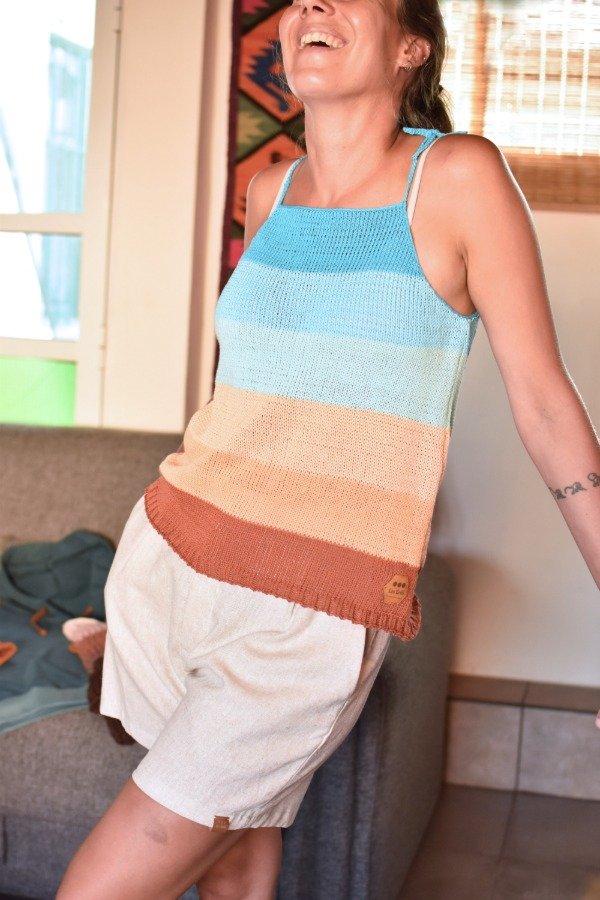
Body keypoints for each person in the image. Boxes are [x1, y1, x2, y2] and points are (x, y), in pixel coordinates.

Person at [57, 0, 600, 897]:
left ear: (412, 45)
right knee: (234, 865)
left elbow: (544, 403)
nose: (311, 4)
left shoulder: (456, 178)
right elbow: (253, 393)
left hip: (307, 612)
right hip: (172, 561)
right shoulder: (269, 191)